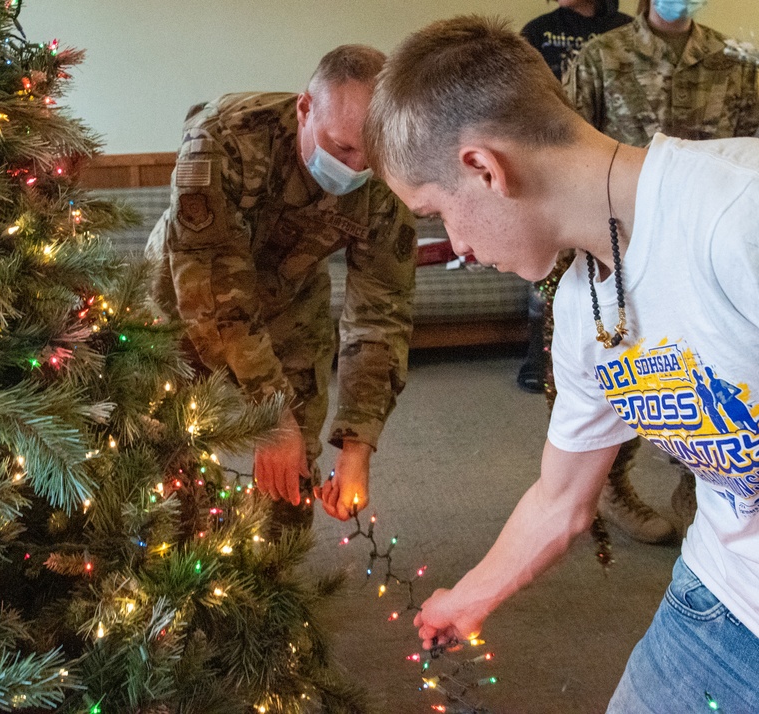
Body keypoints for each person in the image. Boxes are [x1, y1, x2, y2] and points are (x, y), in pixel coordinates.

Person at [365, 16, 759, 711]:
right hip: (722, 593)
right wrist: (468, 597)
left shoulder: (735, 216)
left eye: (438, 214)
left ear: (484, 168)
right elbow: (561, 499)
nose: (456, 245)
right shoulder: (583, 309)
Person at [146, 45, 417, 530]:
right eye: (341, 148)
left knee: (292, 460)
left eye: (369, 154)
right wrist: (271, 416)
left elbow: (381, 313)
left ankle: (271, 573)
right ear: (304, 109)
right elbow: (210, 298)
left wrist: (358, 444)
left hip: (292, 293)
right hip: (184, 294)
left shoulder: (389, 170)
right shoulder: (222, 138)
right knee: (170, 441)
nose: (356, 168)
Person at [546, 0, 759, 544]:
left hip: (710, 237)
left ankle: (705, 488)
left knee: (719, 373)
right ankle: (612, 485)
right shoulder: (603, 55)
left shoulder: (734, 60)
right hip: (623, 245)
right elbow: (565, 146)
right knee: (636, 375)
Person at [516, 0, 632, 396]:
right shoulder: (538, 32)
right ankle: (541, 360)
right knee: (549, 283)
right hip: (555, 178)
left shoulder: (625, 30)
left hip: (616, 177)